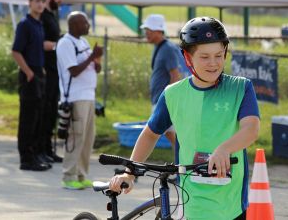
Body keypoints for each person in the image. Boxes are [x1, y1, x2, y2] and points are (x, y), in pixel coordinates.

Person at [110, 17, 260, 219]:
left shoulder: (240, 88)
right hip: (191, 199)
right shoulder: (173, 94)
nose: (213, 63)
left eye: (219, 55)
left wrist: (225, 148)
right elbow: (150, 134)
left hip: (230, 203)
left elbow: (251, 129)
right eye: (205, 57)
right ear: (188, 58)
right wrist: (130, 172)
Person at [56, 11, 103, 190]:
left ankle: (81, 175)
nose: (88, 26)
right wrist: (92, 57)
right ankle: (68, 176)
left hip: (89, 96)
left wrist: (97, 59)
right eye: (84, 23)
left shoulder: (83, 42)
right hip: (75, 97)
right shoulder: (65, 43)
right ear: (74, 25)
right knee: (75, 137)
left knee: (88, 138)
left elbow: (94, 68)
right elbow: (73, 71)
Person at [11, 0, 50, 171]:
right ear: (30, 2)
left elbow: (37, 50)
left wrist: (40, 69)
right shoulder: (25, 24)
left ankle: (34, 155)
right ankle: (26, 159)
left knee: (37, 118)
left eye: (43, 1)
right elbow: (16, 51)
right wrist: (28, 72)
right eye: (37, 1)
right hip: (29, 74)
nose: (40, 4)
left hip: (38, 72)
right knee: (28, 118)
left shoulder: (39, 25)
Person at [139, 14, 185, 146]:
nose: (146, 33)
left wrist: (169, 100)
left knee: (161, 134)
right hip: (160, 99)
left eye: (150, 30)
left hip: (165, 101)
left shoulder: (167, 49)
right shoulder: (160, 47)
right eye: (146, 30)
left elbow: (175, 76)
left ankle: (183, 163)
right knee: (170, 134)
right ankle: (181, 163)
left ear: (159, 31)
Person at [39, 0, 64, 163]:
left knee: (52, 111)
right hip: (45, 70)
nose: (60, 0)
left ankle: (48, 148)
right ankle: (40, 149)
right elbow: (41, 43)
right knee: (44, 110)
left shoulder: (52, 15)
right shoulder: (42, 17)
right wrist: (59, 45)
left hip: (55, 70)